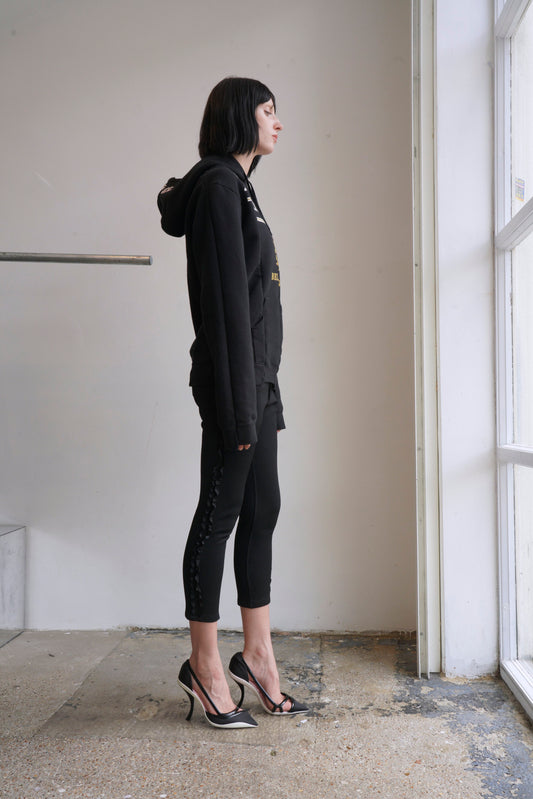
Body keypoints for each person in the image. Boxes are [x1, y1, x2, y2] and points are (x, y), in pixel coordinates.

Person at [157, 77, 308, 729]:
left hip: (258, 382)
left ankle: (258, 655)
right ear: (240, 115)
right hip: (233, 385)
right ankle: (205, 663)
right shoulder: (220, 185)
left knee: (261, 508)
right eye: (269, 110)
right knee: (219, 513)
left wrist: (264, 389)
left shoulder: (241, 188)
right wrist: (240, 405)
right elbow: (224, 308)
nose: (278, 121)